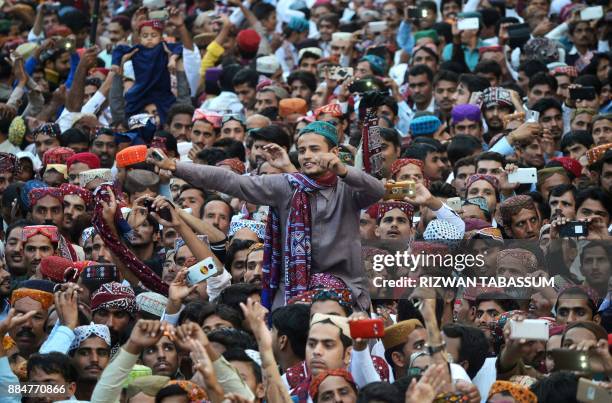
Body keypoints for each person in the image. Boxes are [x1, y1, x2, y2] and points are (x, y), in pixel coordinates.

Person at [148, 121, 384, 310]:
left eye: (315, 149)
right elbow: (232, 182)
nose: (307, 156)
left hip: (345, 291)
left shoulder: (349, 188)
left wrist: (343, 170)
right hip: (293, 292)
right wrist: (176, 167)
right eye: (302, 151)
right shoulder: (287, 186)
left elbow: (377, 190)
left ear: (333, 152)